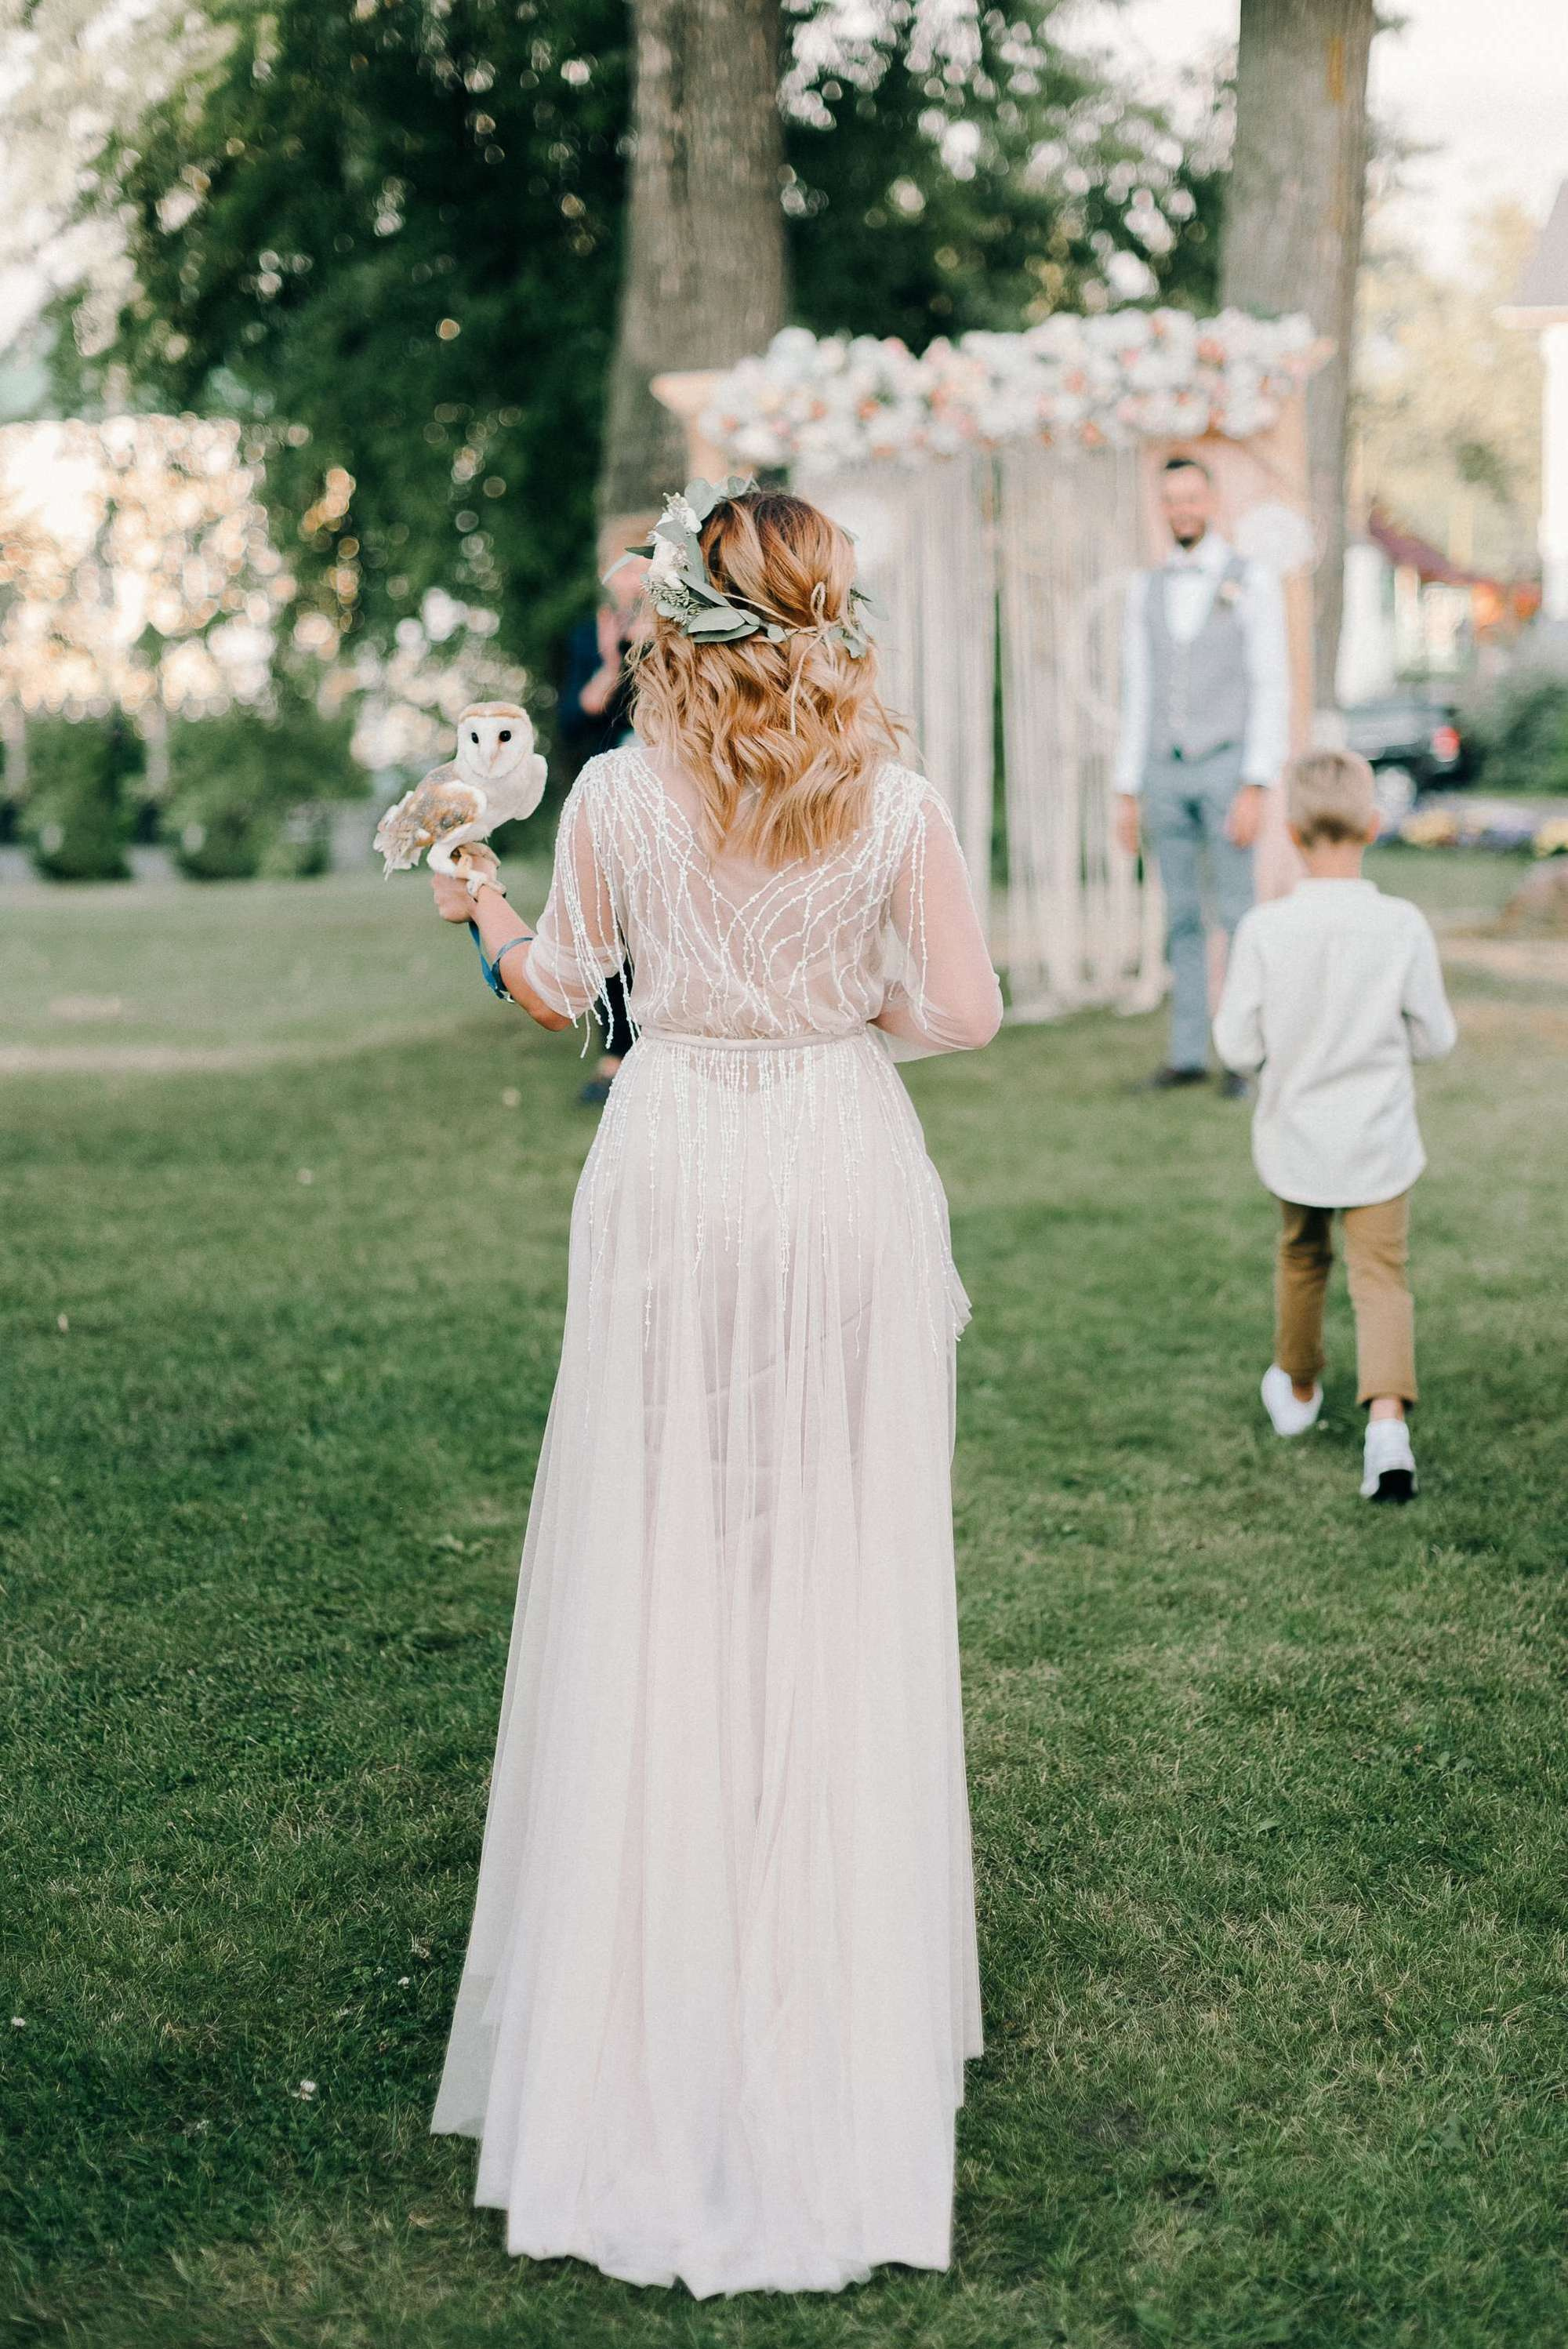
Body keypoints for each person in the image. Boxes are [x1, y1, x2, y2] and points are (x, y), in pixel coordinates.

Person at [425, 485, 1002, 2293]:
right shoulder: (892, 800)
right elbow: (968, 1016)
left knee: (669, 1551)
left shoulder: (608, 801)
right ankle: (820, 1958)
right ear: (823, 611)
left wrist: (475, 908)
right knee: (825, 1561)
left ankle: (659, 1942)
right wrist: (835, 1022)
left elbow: (562, 995)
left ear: (676, 620)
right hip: (833, 1157)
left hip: (674, 1156)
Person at [1212, 748, 1457, 1503]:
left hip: (1297, 1138)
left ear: (1288, 829)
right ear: (1374, 825)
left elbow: (1236, 1043)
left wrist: (1277, 1059)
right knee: (1381, 1277)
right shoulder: (1401, 925)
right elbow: (1435, 1035)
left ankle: (1299, 1389)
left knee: (1302, 1256)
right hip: (1378, 1137)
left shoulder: (1264, 929)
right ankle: (1388, 1428)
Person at [1115, 453, 1290, 1096]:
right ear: (1161, 508)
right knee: (1181, 916)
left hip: (1225, 766)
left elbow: (1271, 683)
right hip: (1164, 771)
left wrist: (1256, 781)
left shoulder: (1251, 580)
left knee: (1239, 914)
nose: (1181, 509)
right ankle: (1188, 1053)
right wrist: (1127, 787)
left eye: (1191, 497)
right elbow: (1138, 690)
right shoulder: (1147, 588)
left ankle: (1244, 1058)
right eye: (1170, 499)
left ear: (1211, 502)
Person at [555, 527, 652, 1103]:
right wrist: (617, 657)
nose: (633, 580)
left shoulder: (682, 632)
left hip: (667, 791)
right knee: (605, 919)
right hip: (610, 793)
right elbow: (579, 711)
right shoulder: (586, 638)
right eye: (626, 568)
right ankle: (617, 1048)